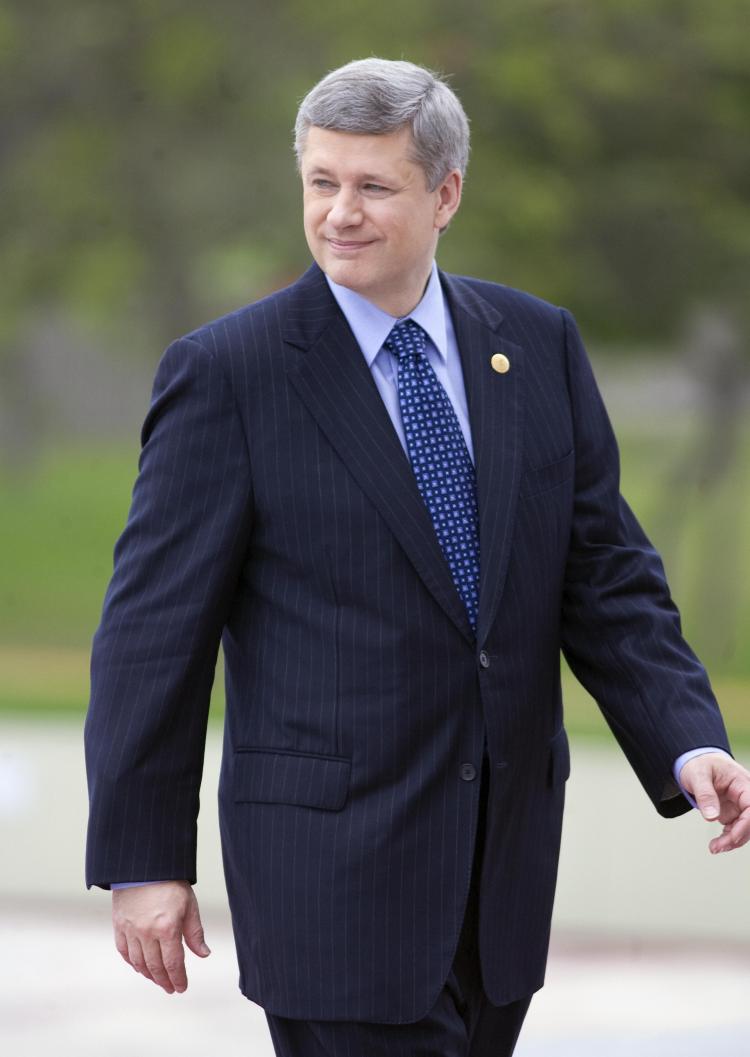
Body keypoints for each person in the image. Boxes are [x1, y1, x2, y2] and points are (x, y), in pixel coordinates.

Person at [84, 58, 750, 1057]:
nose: (339, 213)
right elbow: (150, 634)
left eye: (372, 186)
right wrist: (143, 858)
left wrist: (688, 738)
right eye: (321, 182)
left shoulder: (536, 345)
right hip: (329, 883)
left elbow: (604, 575)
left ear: (445, 194)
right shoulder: (229, 376)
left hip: (501, 879)